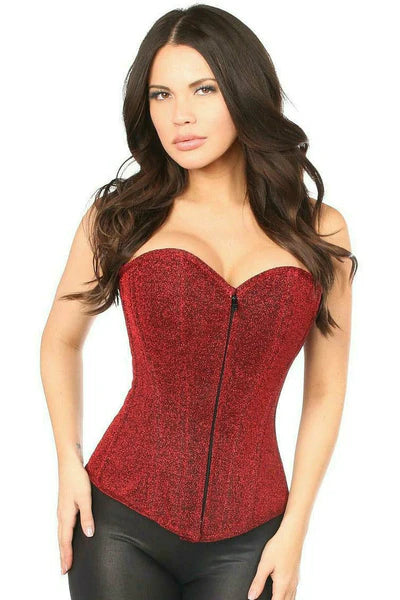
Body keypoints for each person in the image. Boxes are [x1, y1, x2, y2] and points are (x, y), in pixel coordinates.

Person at [40, 4, 356, 599]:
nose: (179, 115)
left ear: (244, 90)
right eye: (160, 95)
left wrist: (295, 529)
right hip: (117, 520)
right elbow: (60, 339)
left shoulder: (319, 230)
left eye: (203, 89)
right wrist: (67, 463)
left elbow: (325, 389)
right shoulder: (121, 217)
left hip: (255, 534)